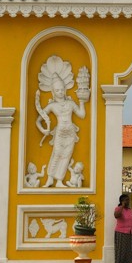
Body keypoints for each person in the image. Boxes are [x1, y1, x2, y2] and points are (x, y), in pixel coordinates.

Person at [34, 58, 87, 187]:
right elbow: (38, 120)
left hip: (70, 133)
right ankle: (50, 179)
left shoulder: (70, 103)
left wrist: (81, 101)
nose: (60, 92)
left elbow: (82, 115)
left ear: (65, 89)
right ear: (53, 91)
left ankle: (59, 181)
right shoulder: (52, 106)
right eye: (57, 90)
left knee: (66, 157)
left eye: (62, 89)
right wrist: (43, 130)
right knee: (57, 155)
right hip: (60, 133)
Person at [114, 193, 132, 263]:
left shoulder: (130, 210)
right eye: (126, 200)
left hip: (130, 233)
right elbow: (116, 215)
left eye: (128, 200)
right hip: (121, 233)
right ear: (122, 201)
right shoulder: (118, 209)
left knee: (129, 253)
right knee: (121, 252)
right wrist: (122, 206)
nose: (128, 201)